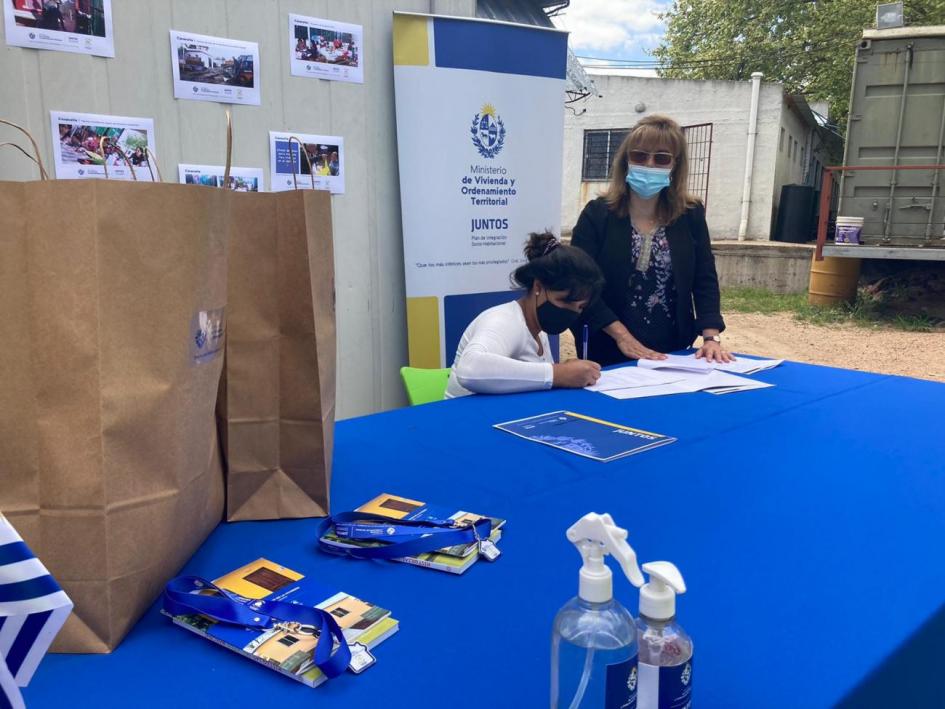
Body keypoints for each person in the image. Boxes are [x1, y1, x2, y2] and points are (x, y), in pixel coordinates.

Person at [570, 114, 733, 365]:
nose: (649, 164)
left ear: (675, 166)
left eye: (661, 158)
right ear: (626, 160)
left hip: (674, 348)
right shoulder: (597, 214)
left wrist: (711, 337)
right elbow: (579, 285)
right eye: (639, 155)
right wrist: (622, 336)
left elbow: (704, 277)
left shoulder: (690, 215)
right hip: (608, 346)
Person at [445, 232, 605, 399]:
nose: (571, 312)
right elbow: (470, 368)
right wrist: (559, 373)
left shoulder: (538, 330)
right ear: (538, 287)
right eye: (564, 301)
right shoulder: (504, 320)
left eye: (580, 307)